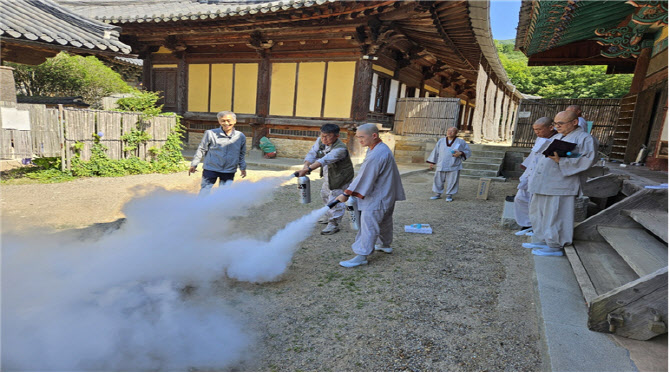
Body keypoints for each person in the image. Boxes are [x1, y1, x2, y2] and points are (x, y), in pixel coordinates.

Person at [525, 111, 597, 256]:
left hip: (561, 184)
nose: (557, 126)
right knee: (539, 213)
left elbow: (588, 160)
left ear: (574, 122)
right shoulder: (558, 136)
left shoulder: (585, 138)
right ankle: (543, 239)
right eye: (555, 124)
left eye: (560, 124)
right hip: (545, 181)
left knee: (556, 214)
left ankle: (556, 245)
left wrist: (562, 160)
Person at [335, 123, 405, 268]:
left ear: (374, 135)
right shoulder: (379, 148)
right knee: (384, 220)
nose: (359, 140)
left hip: (378, 195)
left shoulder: (378, 154)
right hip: (386, 193)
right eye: (357, 137)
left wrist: (346, 193)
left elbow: (364, 176)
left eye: (362, 137)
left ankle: (362, 255)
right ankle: (385, 244)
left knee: (368, 224)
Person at [296, 123, 354, 235]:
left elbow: (324, 160)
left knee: (335, 199)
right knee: (325, 194)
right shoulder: (320, 141)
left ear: (337, 136)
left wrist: (308, 170)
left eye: (328, 136)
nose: (324, 139)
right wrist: (305, 166)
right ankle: (328, 216)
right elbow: (312, 153)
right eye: (322, 135)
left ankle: (334, 223)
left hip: (341, 176)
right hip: (329, 172)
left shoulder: (340, 149)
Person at [513, 117, 556, 236]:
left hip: (543, 174)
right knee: (520, 198)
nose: (537, 132)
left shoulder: (557, 139)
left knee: (535, 202)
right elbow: (534, 155)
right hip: (531, 172)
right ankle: (526, 223)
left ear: (550, 127)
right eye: (535, 129)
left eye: (539, 129)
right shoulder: (539, 138)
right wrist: (526, 168)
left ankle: (535, 226)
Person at [189, 111, 246, 195]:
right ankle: (201, 207)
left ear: (234, 121)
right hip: (211, 168)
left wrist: (242, 167)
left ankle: (219, 208)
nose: (226, 123)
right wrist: (194, 164)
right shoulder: (210, 133)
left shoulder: (240, 136)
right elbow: (201, 149)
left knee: (224, 192)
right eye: (223, 121)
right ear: (219, 121)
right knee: (205, 191)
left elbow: (241, 153)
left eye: (229, 120)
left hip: (229, 169)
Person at [426, 126, 471, 202]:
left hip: (454, 164)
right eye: (448, 130)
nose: (450, 132)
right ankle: (438, 194)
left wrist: (460, 153)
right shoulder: (441, 141)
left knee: (452, 180)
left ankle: (450, 195)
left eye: (452, 131)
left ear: (456, 133)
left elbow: (468, 151)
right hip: (441, 163)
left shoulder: (461, 142)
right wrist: (432, 162)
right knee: (438, 179)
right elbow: (436, 151)